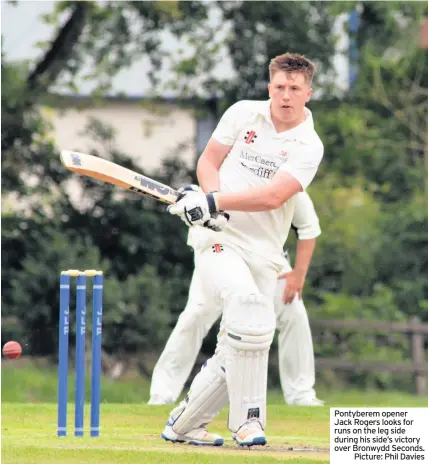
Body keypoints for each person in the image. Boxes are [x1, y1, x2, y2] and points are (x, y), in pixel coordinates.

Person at [161, 52, 324, 447]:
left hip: (264, 251)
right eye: (280, 87)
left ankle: (184, 425)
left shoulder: (308, 145)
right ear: (270, 87)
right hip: (218, 239)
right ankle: (248, 423)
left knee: (244, 339)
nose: (285, 95)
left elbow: (272, 197)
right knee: (250, 312)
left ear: (308, 93)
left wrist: (214, 202)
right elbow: (209, 160)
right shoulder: (242, 114)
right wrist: (209, 202)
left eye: (294, 89)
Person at [149, 191, 324, 407]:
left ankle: (301, 394)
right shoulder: (227, 176)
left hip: (267, 261)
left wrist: (299, 274)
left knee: (294, 312)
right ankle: (162, 394)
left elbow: (308, 229)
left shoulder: (288, 184)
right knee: (196, 315)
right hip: (219, 256)